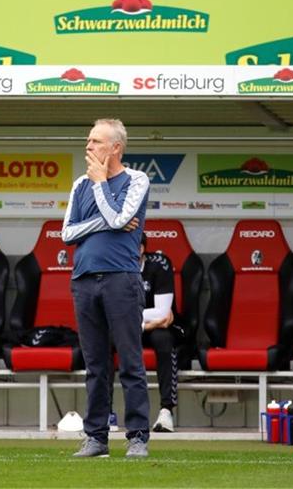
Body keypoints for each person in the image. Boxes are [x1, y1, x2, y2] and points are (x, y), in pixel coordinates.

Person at [62, 118, 151, 458]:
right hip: (84, 280)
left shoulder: (137, 180)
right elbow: (67, 234)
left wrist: (101, 185)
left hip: (121, 279)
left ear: (115, 147)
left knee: (130, 362)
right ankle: (96, 438)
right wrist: (105, 218)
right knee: (96, 365)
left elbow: (120, 221)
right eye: (88, 140)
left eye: (96, 141)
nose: (89, 147)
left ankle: (137, 437)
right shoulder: (79, 184)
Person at [109, 233, 185, 433]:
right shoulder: (114, 266)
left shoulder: (159, 264)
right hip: (140, 326)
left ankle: (166, 411)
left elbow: (163, 313)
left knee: (164, 339)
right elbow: (113, 312)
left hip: (160, 329)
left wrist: (131, 318)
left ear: (140, 249)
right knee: (106, 341)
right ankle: (106, 412)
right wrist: (146, 323)